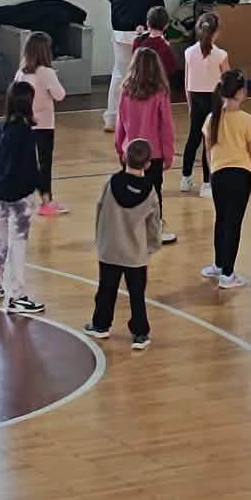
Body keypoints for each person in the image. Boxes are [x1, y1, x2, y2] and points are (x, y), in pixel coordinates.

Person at [89, 136, 162, 349]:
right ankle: (140, 333)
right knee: (137, 295)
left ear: (123, 158)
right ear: (148, 164)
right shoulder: (150, 191)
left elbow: (99, 209)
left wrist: (99, 239)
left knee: (106, 289)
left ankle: (101, 325)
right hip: (136, 254)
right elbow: (154, 223)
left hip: (110, 249)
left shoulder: (111, 183)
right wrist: (152, 247)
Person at [104, 0, 175, 128]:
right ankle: (144, 118)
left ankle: (112, 118)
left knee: (120, 73)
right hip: (144, 29)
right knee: (148, 74)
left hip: (120, 26)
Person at [201, 71, 251, 290]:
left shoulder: (212, 118)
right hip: (240, 177)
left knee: (221, 220)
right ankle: (228, 274)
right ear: (240, 92)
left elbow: (208, 150)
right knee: (233, 224)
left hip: (218, 175)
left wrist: (212, 172)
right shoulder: (248, 121)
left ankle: (219, 264)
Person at [0, 80, 45, 313]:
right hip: (20, 196)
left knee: (0, 240)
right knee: (18, 244)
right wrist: (41, 189)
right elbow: (31, 167)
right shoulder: (26, 134)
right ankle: (17, 296)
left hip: (0, 193)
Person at [113, 49, 179, 246]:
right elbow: (166, 126)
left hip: (130, 152)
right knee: (154, 192)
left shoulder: (126, 91)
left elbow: (120, 123)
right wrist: (168, 153)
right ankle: (154, 229)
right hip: (153, 154)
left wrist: (120, 148)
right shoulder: (160, 94)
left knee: (130, 191)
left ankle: (129, 230)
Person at [15, 33, 69, 217]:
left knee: (26, 162)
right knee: (44, 164)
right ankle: (46, 202)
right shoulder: (46, 72)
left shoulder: (21, 73)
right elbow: (60, 95)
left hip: (24, 123)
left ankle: (24, 199)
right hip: (44, 125)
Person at [180, 13, 228, 195]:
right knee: (210, 140)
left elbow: (187, 82)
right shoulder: (221, 55)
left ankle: (185, 178)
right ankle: (207, 183)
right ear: (216, 32)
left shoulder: (188, 52)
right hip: (213, 101)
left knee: (193, 139)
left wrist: (190, 104)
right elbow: (227, 82)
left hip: (196, 99)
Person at [133, 6, 182, 95]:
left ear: (148, 23)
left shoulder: (138, 42)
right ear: (166, 25)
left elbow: (134, 60)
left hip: (140, 87)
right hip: (159, 90)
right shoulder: (165, 47)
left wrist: (139, 35)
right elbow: (172, 71)